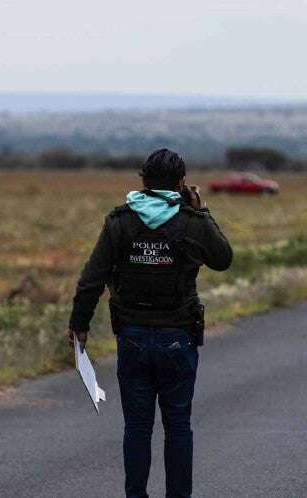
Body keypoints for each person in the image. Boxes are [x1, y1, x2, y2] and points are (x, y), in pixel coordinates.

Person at [67, 148, 233, 497]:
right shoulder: (191, 221)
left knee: (138, 428)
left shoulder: (120, 221)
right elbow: (223, 259)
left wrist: (79, 325)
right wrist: (202, 210)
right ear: (181, 184)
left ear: (142, 180)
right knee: (178, 427)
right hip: (179, 337)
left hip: (132, 338)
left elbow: (91, 279)